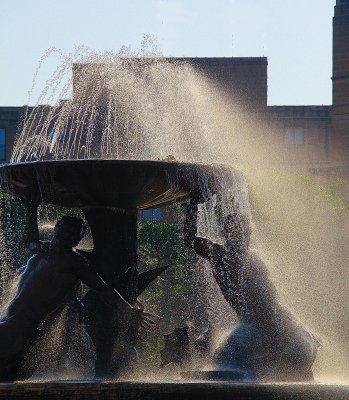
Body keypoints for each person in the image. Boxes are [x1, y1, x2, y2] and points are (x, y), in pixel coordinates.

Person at [184, 195, 320, 382]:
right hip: (270, 331)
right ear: (227, 235)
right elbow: (190, 238)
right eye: (238, 233)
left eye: (244, 234)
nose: (243, 238)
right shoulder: (223, 256)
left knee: (225, 362)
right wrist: (195, 204)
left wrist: (195, 204)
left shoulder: (237, 258)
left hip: (274, 332)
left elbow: (270, 303)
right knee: (224, 361)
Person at [0, 216, 152, 381]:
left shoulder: (73, 262)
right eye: (66, 228)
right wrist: (32, 205)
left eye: (74, 232)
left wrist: (128, 310)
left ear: (77, 240)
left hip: (18, 334)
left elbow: (104, 289)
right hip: (9, 328)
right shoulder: (41, 250)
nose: (68, 233)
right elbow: (29, 240)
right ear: (57, 226)